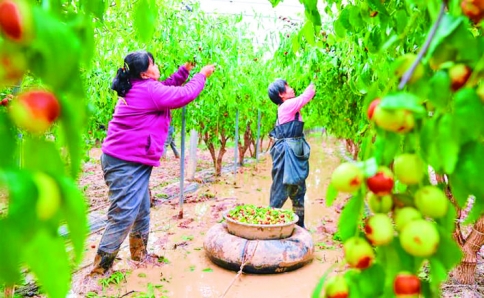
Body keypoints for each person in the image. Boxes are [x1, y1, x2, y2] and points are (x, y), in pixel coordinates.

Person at [90, 50, 215, 275]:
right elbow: (183, 94)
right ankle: (99, 271)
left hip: (129, 160)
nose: (157, 67)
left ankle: (139, 256)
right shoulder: (149, 90)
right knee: (124, 214)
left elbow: (167, 87)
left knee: (141, 210)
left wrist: (184, 71)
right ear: (145, 74)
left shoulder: (141, 87)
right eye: (153, 64)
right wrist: (201, 75)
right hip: (124, 162)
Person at [267, 79, 315, 229]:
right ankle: (269, 226)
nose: (291, 88)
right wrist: (316, 79)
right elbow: (307, 95)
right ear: (281, 94)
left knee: (299, 190)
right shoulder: (287, 106)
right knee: (280, 191)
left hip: (294, 152)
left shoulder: (289, 107)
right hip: (286, 155)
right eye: (287, 87)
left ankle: (300, 226)